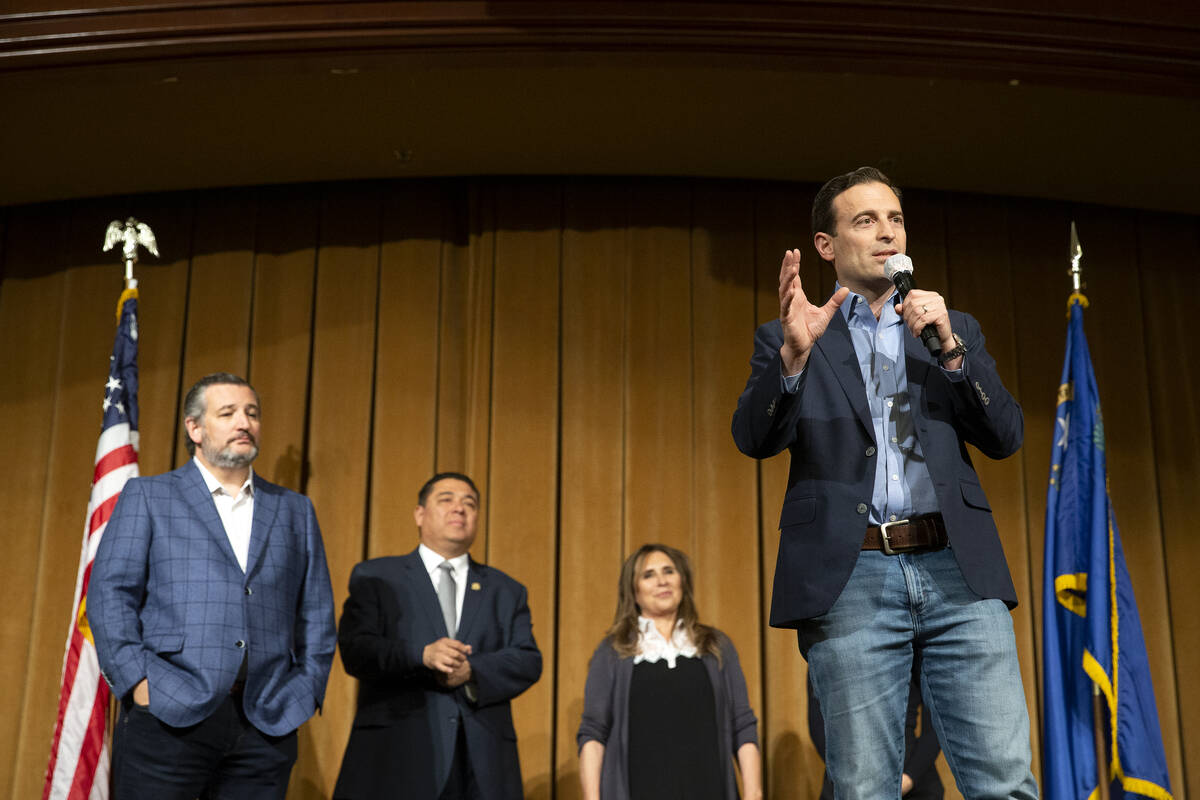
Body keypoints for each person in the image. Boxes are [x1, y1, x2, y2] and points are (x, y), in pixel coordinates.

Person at [731, 167, 1038, 798]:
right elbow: (753, 439)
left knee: (1004, 781)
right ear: (827, 245)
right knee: (867, 785)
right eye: (865, 220)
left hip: (959, 568)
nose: (886, 233)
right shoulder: (791, 335)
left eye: (894, 219)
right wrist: (793, 359)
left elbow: (1006, 436)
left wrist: (952, 350)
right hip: (854, 573)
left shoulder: (950, 328)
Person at [89, 372, 336, 800]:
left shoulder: (295, 509)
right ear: (195, 428)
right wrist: (138, 682)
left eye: (252, 413)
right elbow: (111, 594)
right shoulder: (149, 496)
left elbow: (315, 611)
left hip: (267, 720)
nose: (245, 422)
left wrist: (307, 688)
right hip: (167, 711)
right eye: (228, 413)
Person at [333, 472, 542, 800]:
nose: (459, 508)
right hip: (395, 757)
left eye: (469, 503)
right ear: (419, 514)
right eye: (446, 500)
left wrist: (472, 671)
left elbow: (528, 660)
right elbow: (357, 649)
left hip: (479, 764)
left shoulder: (506, 590)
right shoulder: (376, 576)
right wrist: (422, 655)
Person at [577, 543, 761, 800]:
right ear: (634, 592)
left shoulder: (716, 646)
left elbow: (742, 725)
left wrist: (754, 793)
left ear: (683, 581)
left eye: (669, 571)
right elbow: (593, 733)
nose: (661, 581)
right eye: (648, 575)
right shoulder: (612, 652)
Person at [808, 668, 943, 800]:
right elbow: (818, 725)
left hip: (912, 776)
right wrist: (848, 775)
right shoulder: (825, 650)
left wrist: (908, 778)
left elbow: (935, 724)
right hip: (847, 773)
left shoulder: (914, 649)